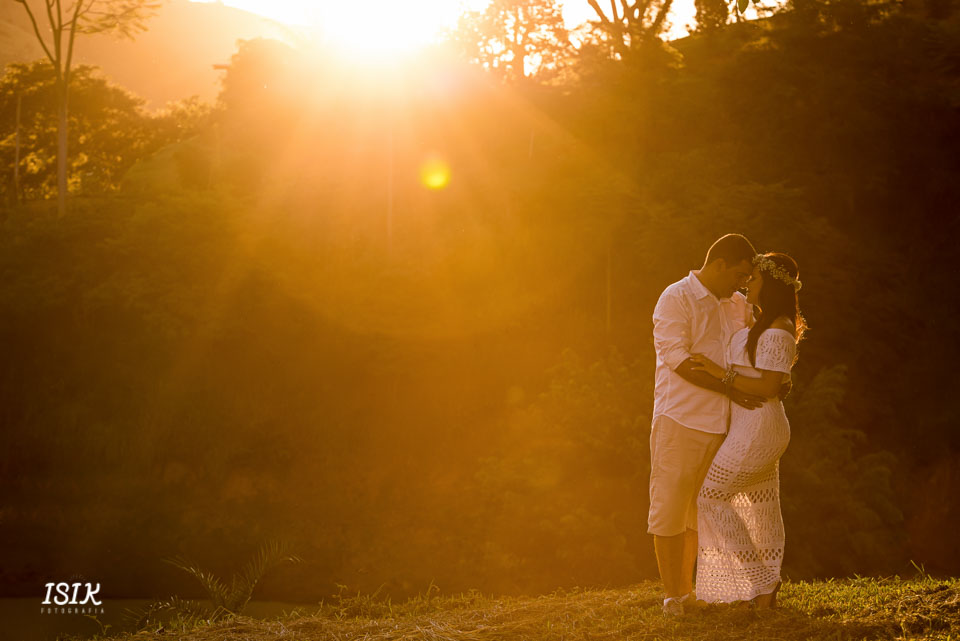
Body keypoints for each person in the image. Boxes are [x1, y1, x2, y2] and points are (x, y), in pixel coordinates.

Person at [649, 233, 767, 617]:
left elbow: (759, 342)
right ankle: (674, 597)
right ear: (719, 265)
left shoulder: (737, 304)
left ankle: (691, 592)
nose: (742, 284)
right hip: (680, 419)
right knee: (670, 507)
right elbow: (679, 360)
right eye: (739, 275)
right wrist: (730, 386)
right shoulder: (676, 297)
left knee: (701, 511)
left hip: (725, 425)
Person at [690, 252, 806, 609]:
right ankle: (765, 585)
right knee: (760, 504)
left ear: (769, 284)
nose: (747, 284)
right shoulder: (762, 322)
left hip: (759, 427)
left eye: (753, 279)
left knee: (711, 497)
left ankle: (761, 581)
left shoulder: (779, 328)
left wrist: (719, 373)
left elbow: (769, 386)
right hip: (750, 423)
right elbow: (769, 376)